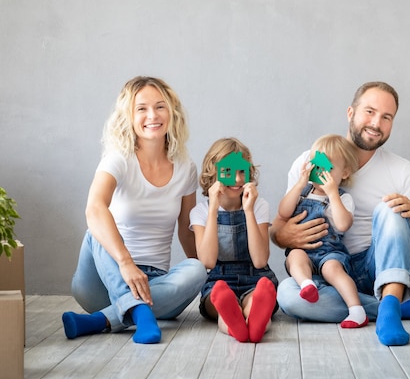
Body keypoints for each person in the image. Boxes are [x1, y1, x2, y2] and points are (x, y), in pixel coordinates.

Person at [271, 81, 410, 346]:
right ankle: (397, 308)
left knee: (391, 206)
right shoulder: (309, 161)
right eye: (369, 112)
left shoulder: (401, 170)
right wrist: (284, 234)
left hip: (375, 268)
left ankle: (390, 301)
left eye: (386, 117)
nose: (376, 123)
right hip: (324, 272)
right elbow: (277, 227)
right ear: (351, 113)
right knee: (289, 296)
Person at [62, 76, 208, 344]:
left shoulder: (186, 167)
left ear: (171, 112)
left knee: (198, 269)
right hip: (103, 280)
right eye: (141, 108)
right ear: (129, 116)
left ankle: (101, 320)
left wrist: (210, 278)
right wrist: (125, 263)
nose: (152, 115)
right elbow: (94, 208)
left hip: (155, 285)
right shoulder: (118, 159)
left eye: (160, 106)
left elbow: (187, 233)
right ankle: (141, 313)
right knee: (96, 227)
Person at [191, 137, 278, 343]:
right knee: (223, 308)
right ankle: (236, 325)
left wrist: (248, 211)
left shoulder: (258, 206)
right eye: (229, 172)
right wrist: (213, 208)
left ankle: (256, 325)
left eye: (242, 171)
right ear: (214, 173)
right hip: (218, 281)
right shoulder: (201, 211)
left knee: (255, 306)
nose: (238, 179)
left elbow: (260, 260)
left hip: (255, 278)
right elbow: (208, 261)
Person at [278, 134, 368, 328]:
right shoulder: (302, 192)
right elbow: (283, 212)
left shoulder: (343, 199)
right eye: (316, 165)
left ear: (344, 173)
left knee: (332, 269)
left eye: (328, 168)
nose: (320, 172)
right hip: (305, 254)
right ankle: (306, 285)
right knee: (294, 255)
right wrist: (299, 184)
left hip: (330, 253)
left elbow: (343, 225)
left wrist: (332, 193)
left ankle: (357, 310)